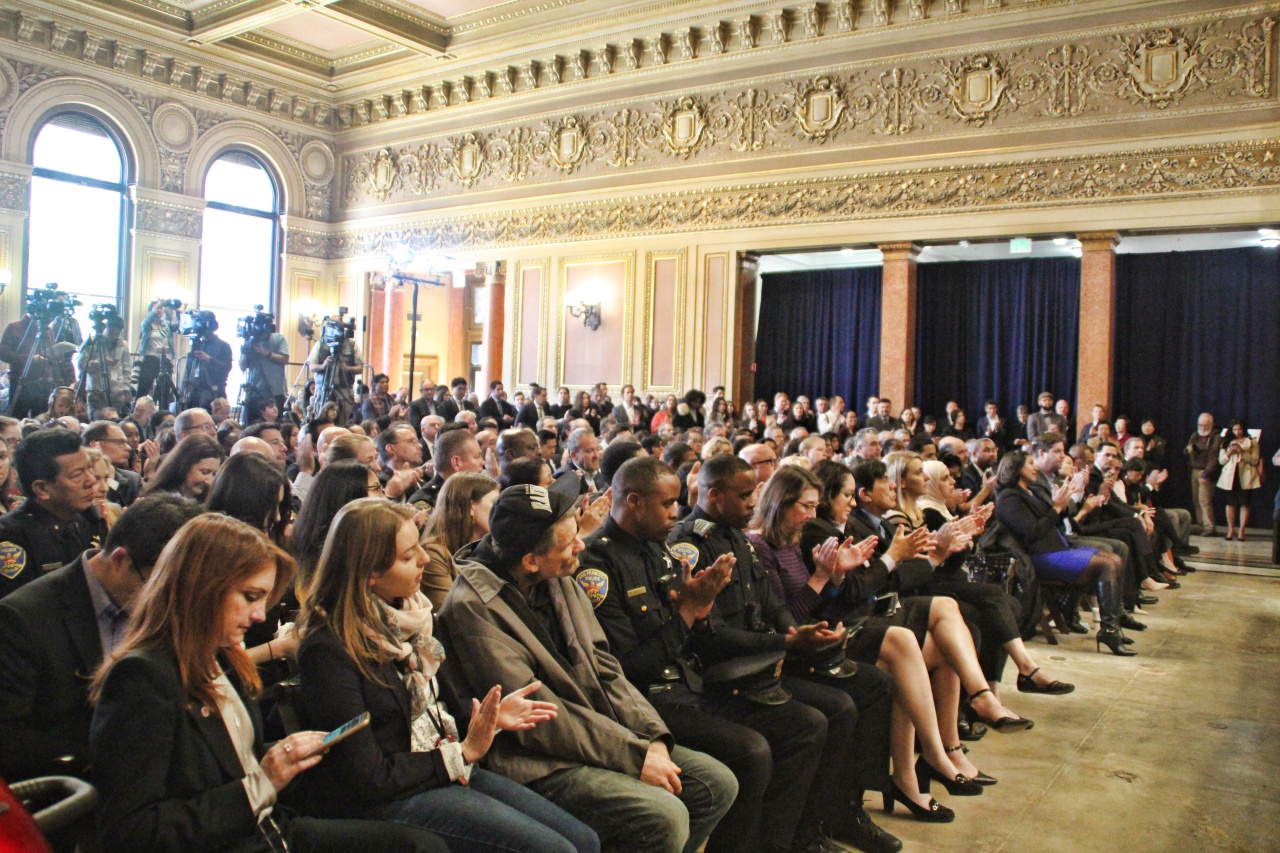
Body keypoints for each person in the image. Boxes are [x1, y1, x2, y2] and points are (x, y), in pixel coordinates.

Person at [580, 456, 895, 853]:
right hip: (650, 699)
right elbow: (631, 667)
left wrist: (712, 615)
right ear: (633, 502)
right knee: (755, 750)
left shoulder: (659, 550)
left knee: (826, 713)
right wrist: (695, 614)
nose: (676, 512)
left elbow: (722, 624)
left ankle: (803, 834)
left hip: (692, 685)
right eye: (667, 504)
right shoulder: (599, 565)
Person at [88, 513, 448, 853]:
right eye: (249, 597)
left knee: (421, 846)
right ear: (200, 588)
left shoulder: (217, 657)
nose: (260, 615)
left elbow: (230, 762)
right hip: (235, 841)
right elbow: (132, 831)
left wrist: (287, 755)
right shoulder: (142, 677)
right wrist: (264, 781)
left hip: (267, 831)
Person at [439, 478, 738, 853]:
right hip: (538, 760)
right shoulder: (472, 608)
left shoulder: (557, 574)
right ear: (531, 560)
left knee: (716, 784)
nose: (582, 544)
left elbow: (606, 668)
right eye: (569, 541)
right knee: (664, 815)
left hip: (600, 734)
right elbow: (540, 719)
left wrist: (652, 737)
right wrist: (632, 753)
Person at [295, 499, 598, 853]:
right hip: (389, 797)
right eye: (408, 556)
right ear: (369, 572)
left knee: (584, 839)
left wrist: (489, 721)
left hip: (443, 768)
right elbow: (366, 778)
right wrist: (462, 752)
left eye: (420, 546)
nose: (425, 559)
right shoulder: (329, 649)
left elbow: (443, 711)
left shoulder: (415, 619)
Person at [670, 455, 912, 844]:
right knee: (816, 720)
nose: (754, 501)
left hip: (761, 664)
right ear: (714, 496)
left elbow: (773, 607)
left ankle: (825, 820)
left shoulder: (737, 539)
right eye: (745, 494)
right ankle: (790, 837)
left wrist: (802, 633)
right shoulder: (692, 546)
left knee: (865, 691)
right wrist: (788, 640)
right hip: (723, 677)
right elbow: (713, 636)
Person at [0, 494, 203, 782]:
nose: (174, 603)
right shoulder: (24, 619)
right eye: (162, 588)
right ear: (120, 560)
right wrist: (113, 756)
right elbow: (10, 737)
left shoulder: (162, 597)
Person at [993, 451, 1135, 655]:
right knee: (1108, 564)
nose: (1035, 467)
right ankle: (1109, 630)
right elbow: (1031, 533)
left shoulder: (1031, 490)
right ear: (1015, 469)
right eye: (1030, 463)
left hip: (1057, 547)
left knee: (1115, 558)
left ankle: (1112, 627)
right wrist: (1057, 507)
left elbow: (1057, 518)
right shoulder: (1008, 498)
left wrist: (1065, 502)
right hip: (1039, 556)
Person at [0, 429, 108, 598]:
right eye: (77, 474)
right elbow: (21, 610)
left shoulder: (88, 521)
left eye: (89, 469)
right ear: (42, 489)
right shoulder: (11, 537)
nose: (91, 480)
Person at [420, 472, 499, 611]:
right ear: (470, 508)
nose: (499, 511)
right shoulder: (434, 554)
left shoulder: (492, 547)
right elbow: (453, 614)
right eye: (495, 503)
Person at [409, 427, 485, 510]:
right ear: (456, 463)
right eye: (477, 457)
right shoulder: (425, 502)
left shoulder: (475, 491)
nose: (482, 462)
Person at [307, 319, 363, 426]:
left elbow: (360, 368)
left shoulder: (352, 345)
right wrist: (323, 366)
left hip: (344, 390)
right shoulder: (321, 344)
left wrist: (348, 369)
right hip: (323, 388)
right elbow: (311, 366)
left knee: (343, 422)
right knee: (321, 420)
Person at [76, 311, 133, 413]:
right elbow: (81, 366)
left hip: (117, 393)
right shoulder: (91, 343)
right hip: (96, 391)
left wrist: (125, 389)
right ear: (104, 328)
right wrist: (100, 362)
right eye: (111, 333)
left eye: (117, 334)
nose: (113, 336)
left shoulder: (123, 345)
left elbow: (127, 369)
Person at [142, 434, 225, 502]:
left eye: (214, 474)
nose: (209, 481)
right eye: (204, 472)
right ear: (184, 465)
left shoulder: (209, 501)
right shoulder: (159, 503)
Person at [239, 316, 291, 422]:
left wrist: (265, 353)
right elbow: (242, 367)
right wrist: (246, 351)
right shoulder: (250, 341)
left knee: (275, 423)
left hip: (275, 390)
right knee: (251, 423)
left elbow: (285, 359)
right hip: (254, 391)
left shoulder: (278, 338)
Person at [180, 312, 234, 412]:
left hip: (214, 391)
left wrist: (209, 359)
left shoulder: (223, 346)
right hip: (194, 392)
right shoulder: (197, 344)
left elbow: (226, 368)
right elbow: (188, 369)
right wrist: (183, 389)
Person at [1217, 419, 1261, 540]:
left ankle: (1242, 530)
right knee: (1230, 503)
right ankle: (1231, 529)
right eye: (1235, 429)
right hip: (1230, 476)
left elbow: (1255, 460)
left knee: (1244, 503)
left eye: (1240, 429)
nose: (1238, 432)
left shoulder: (1252, 442)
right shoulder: (1225, 442)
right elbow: (1221, 461)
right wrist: (1229, 452)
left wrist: (1242, 452)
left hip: (1246, 475)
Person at [85, 419, 142, 507]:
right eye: (120, 442)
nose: (128, 448)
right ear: (95, 445)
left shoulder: (132, 480)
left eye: (126, 442)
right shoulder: (78, 479)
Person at [1185, 413, 1222, 536]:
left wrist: (1206, 473)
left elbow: (1214, 458)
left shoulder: (1216, 437)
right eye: (1200, 425)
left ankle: (1209, 526)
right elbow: (1186, 449)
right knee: (1196, 500)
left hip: (1206, 472)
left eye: (1206, 425)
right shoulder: (1195, 435)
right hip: (1194, 470)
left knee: (1204, 500)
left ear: (1211, 424)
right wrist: (1188, 449)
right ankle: (1200, 524)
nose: (1203, 427)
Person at [555, 427, 606, 495]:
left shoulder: (597, 471)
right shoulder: (564, 476)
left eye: (597, 449)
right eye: (590, 451)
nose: (596, 455)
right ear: (574, 455)